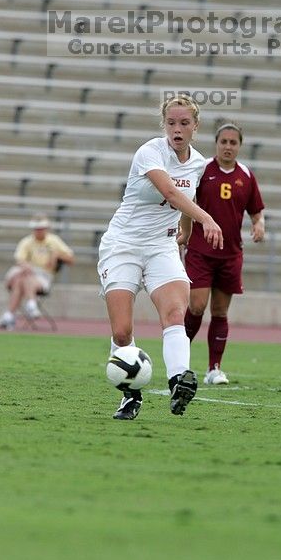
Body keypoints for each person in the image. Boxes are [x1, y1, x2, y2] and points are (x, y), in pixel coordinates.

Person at [97, 94, 223, 421]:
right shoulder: (150, 152)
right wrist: (205, 219)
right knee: (122, 332)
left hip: (161, 247)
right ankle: (130, 395)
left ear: (196, 127)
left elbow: (185, 197)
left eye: (184, 123)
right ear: (163, 124)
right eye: (171, 123)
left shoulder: (198, 163)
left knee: (174, 314)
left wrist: (185, 229)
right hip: (123, 244)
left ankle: (179, 379)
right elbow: (170, 192)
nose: (177, 129)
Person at [183, 121, 265, 384]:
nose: (228, 146)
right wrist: (183, 233)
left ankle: (214, 369)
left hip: (230, 255)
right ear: (216, 143)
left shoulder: (246, 175)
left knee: (219, 311)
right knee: (196, 306)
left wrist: (259, 224)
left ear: (239, 146)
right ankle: (180, 361)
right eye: (224, 142)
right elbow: (184, 201)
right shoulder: (201, 170)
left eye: (233, 142)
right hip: (200, 251)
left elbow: (256, 209)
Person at [0, 214, 75, 331]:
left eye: (41, 228)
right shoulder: (26, 242)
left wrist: (57, 254)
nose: (39, 231)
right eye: (36, 229)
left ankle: (9, 315)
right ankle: (31, 304)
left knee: (22, 278)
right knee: (23, 275)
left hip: (44, 277)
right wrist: (27, 266)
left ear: (46, 229)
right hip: (26, 274)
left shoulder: (54, 241)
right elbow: (20, 260)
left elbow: (71, 259)